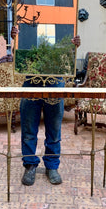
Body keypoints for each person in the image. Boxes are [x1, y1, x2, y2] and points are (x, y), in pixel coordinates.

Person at [11, 26, 80, 186]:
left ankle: (52, 167)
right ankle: (29, 166)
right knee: (28, 131)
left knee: (54, 132)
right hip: (31, 84)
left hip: (55, 85)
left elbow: (68, 62)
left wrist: (74, 47)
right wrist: (15, 40)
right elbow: (19, 59)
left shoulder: (61, 37)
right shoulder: (27, 32)